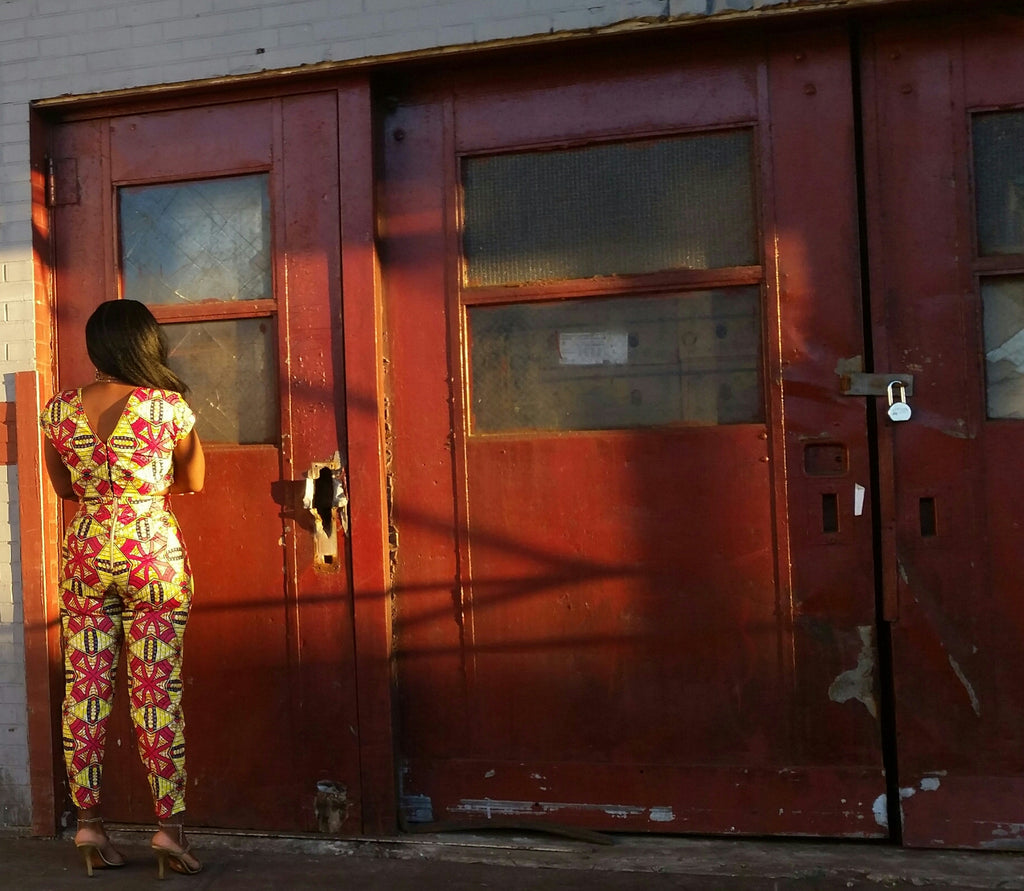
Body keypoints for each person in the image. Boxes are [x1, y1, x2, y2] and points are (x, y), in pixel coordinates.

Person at [40, 299, 205, 879]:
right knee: (156, 694)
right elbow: (195, 480)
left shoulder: (58, 412)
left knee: (85, 692)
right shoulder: (167, 408)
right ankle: (169, 830)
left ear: (96, 349)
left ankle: (88, 823)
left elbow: (62, 488)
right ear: (145, 345)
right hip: (151, 556)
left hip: (86, 551)